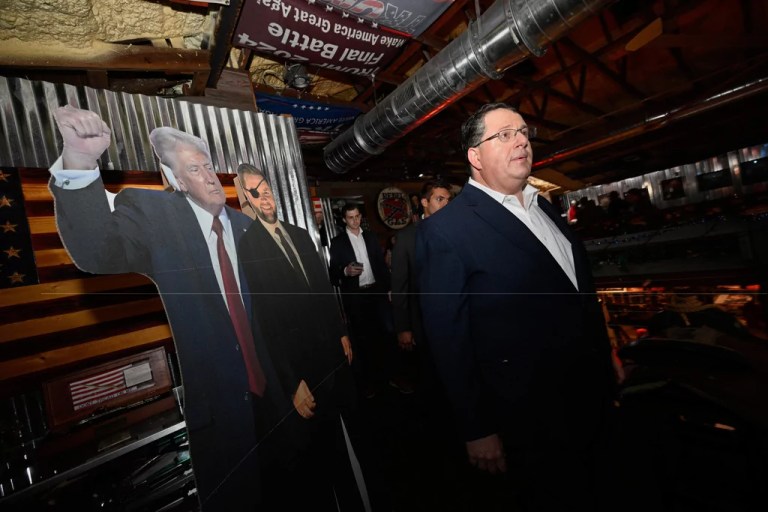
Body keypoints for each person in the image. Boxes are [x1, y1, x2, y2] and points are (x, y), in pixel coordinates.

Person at [47, 105, 286, 511]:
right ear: (172, 179)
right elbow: (96, 252)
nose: (209, 176)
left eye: (209, 167)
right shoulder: (153, 215)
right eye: (194, 170)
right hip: (221, 411)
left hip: (280, 401)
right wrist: (82, 162)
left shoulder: (250, 229)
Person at [416, 103, 617, 511]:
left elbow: (577, 294)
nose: (521, 140)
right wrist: (477, 428)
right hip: (527, 420)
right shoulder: (445, 231)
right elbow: (448, 341)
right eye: (504, 134)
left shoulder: (544, 206)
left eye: (523, 131)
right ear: (475, 157)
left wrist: (606, 349)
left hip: (588, 397)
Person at [236, 163, 363, 509]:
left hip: (334, 354)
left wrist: (341, 333)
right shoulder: (248, 247)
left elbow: (323, 290)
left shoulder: (300, 233)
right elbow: (266, 322)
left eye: (266, 188)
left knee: (356, 435)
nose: (264, 197)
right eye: (254, 191)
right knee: (325, 452)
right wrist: (292, 383)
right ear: (244, 199)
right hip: (303, 367)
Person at [329, 204, 393, 398]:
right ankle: (368, 382)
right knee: (362, 341)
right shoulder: (338, 242)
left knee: (387, 334)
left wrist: (388, 288)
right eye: (350, 217)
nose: (355, 220)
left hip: (377, 293)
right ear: (344, 220)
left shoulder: (371, 237)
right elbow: (333, 275)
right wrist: (345, 271)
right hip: (356, 298)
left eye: (357, 216)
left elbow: (381, 266)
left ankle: (390, 376)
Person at [391, 179, 452, 383]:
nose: (445, 204)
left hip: (458, 317)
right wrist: (403, 327)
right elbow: (400, 286)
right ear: (425, 202)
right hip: (425, 323)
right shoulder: (407, 237)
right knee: (432, 377)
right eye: (439, 199)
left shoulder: (457, 231)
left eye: (448, 200)